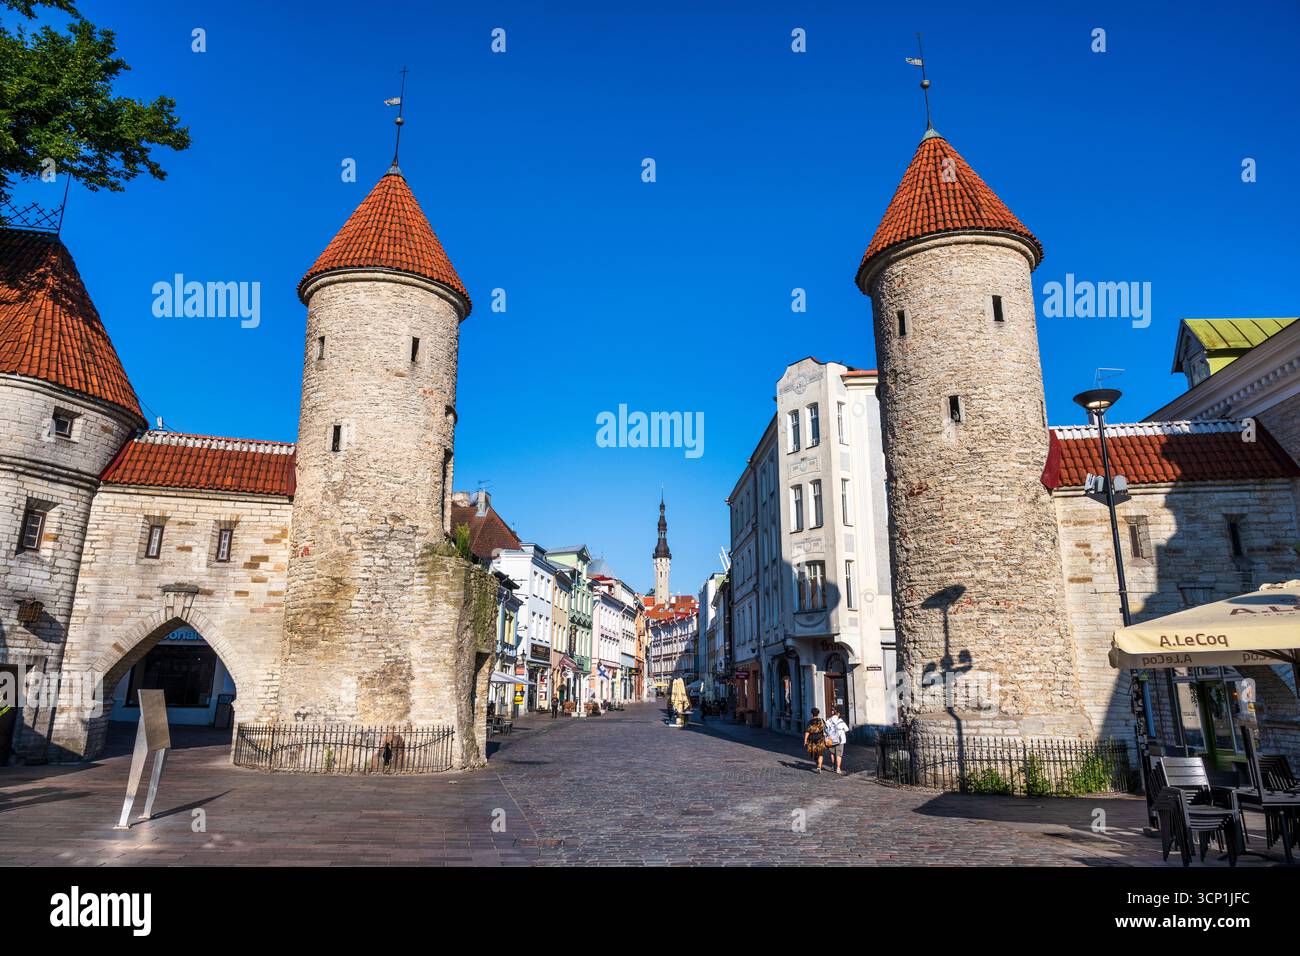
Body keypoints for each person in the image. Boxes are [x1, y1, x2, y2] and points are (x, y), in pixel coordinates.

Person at [825, 706, 849, 776]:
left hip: (831, 739)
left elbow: (826, 729)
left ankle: (833, 766)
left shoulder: (829, 720)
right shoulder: (841, 721)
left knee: (832, 753)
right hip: (840, 740)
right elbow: (847, 729)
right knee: (839, 754)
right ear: (839, 714)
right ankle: (838, 768)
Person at [803, 707, 828, 774]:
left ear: (812, 714)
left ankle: (818, 765)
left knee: (814, 754)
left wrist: (805, 740)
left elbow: (807, 731)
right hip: (820, 739)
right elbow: (826, 729)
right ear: (818, 713)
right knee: (820, 753)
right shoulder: (821, 720)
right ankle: (819, 767)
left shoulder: (810, 722)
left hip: (812, 740)